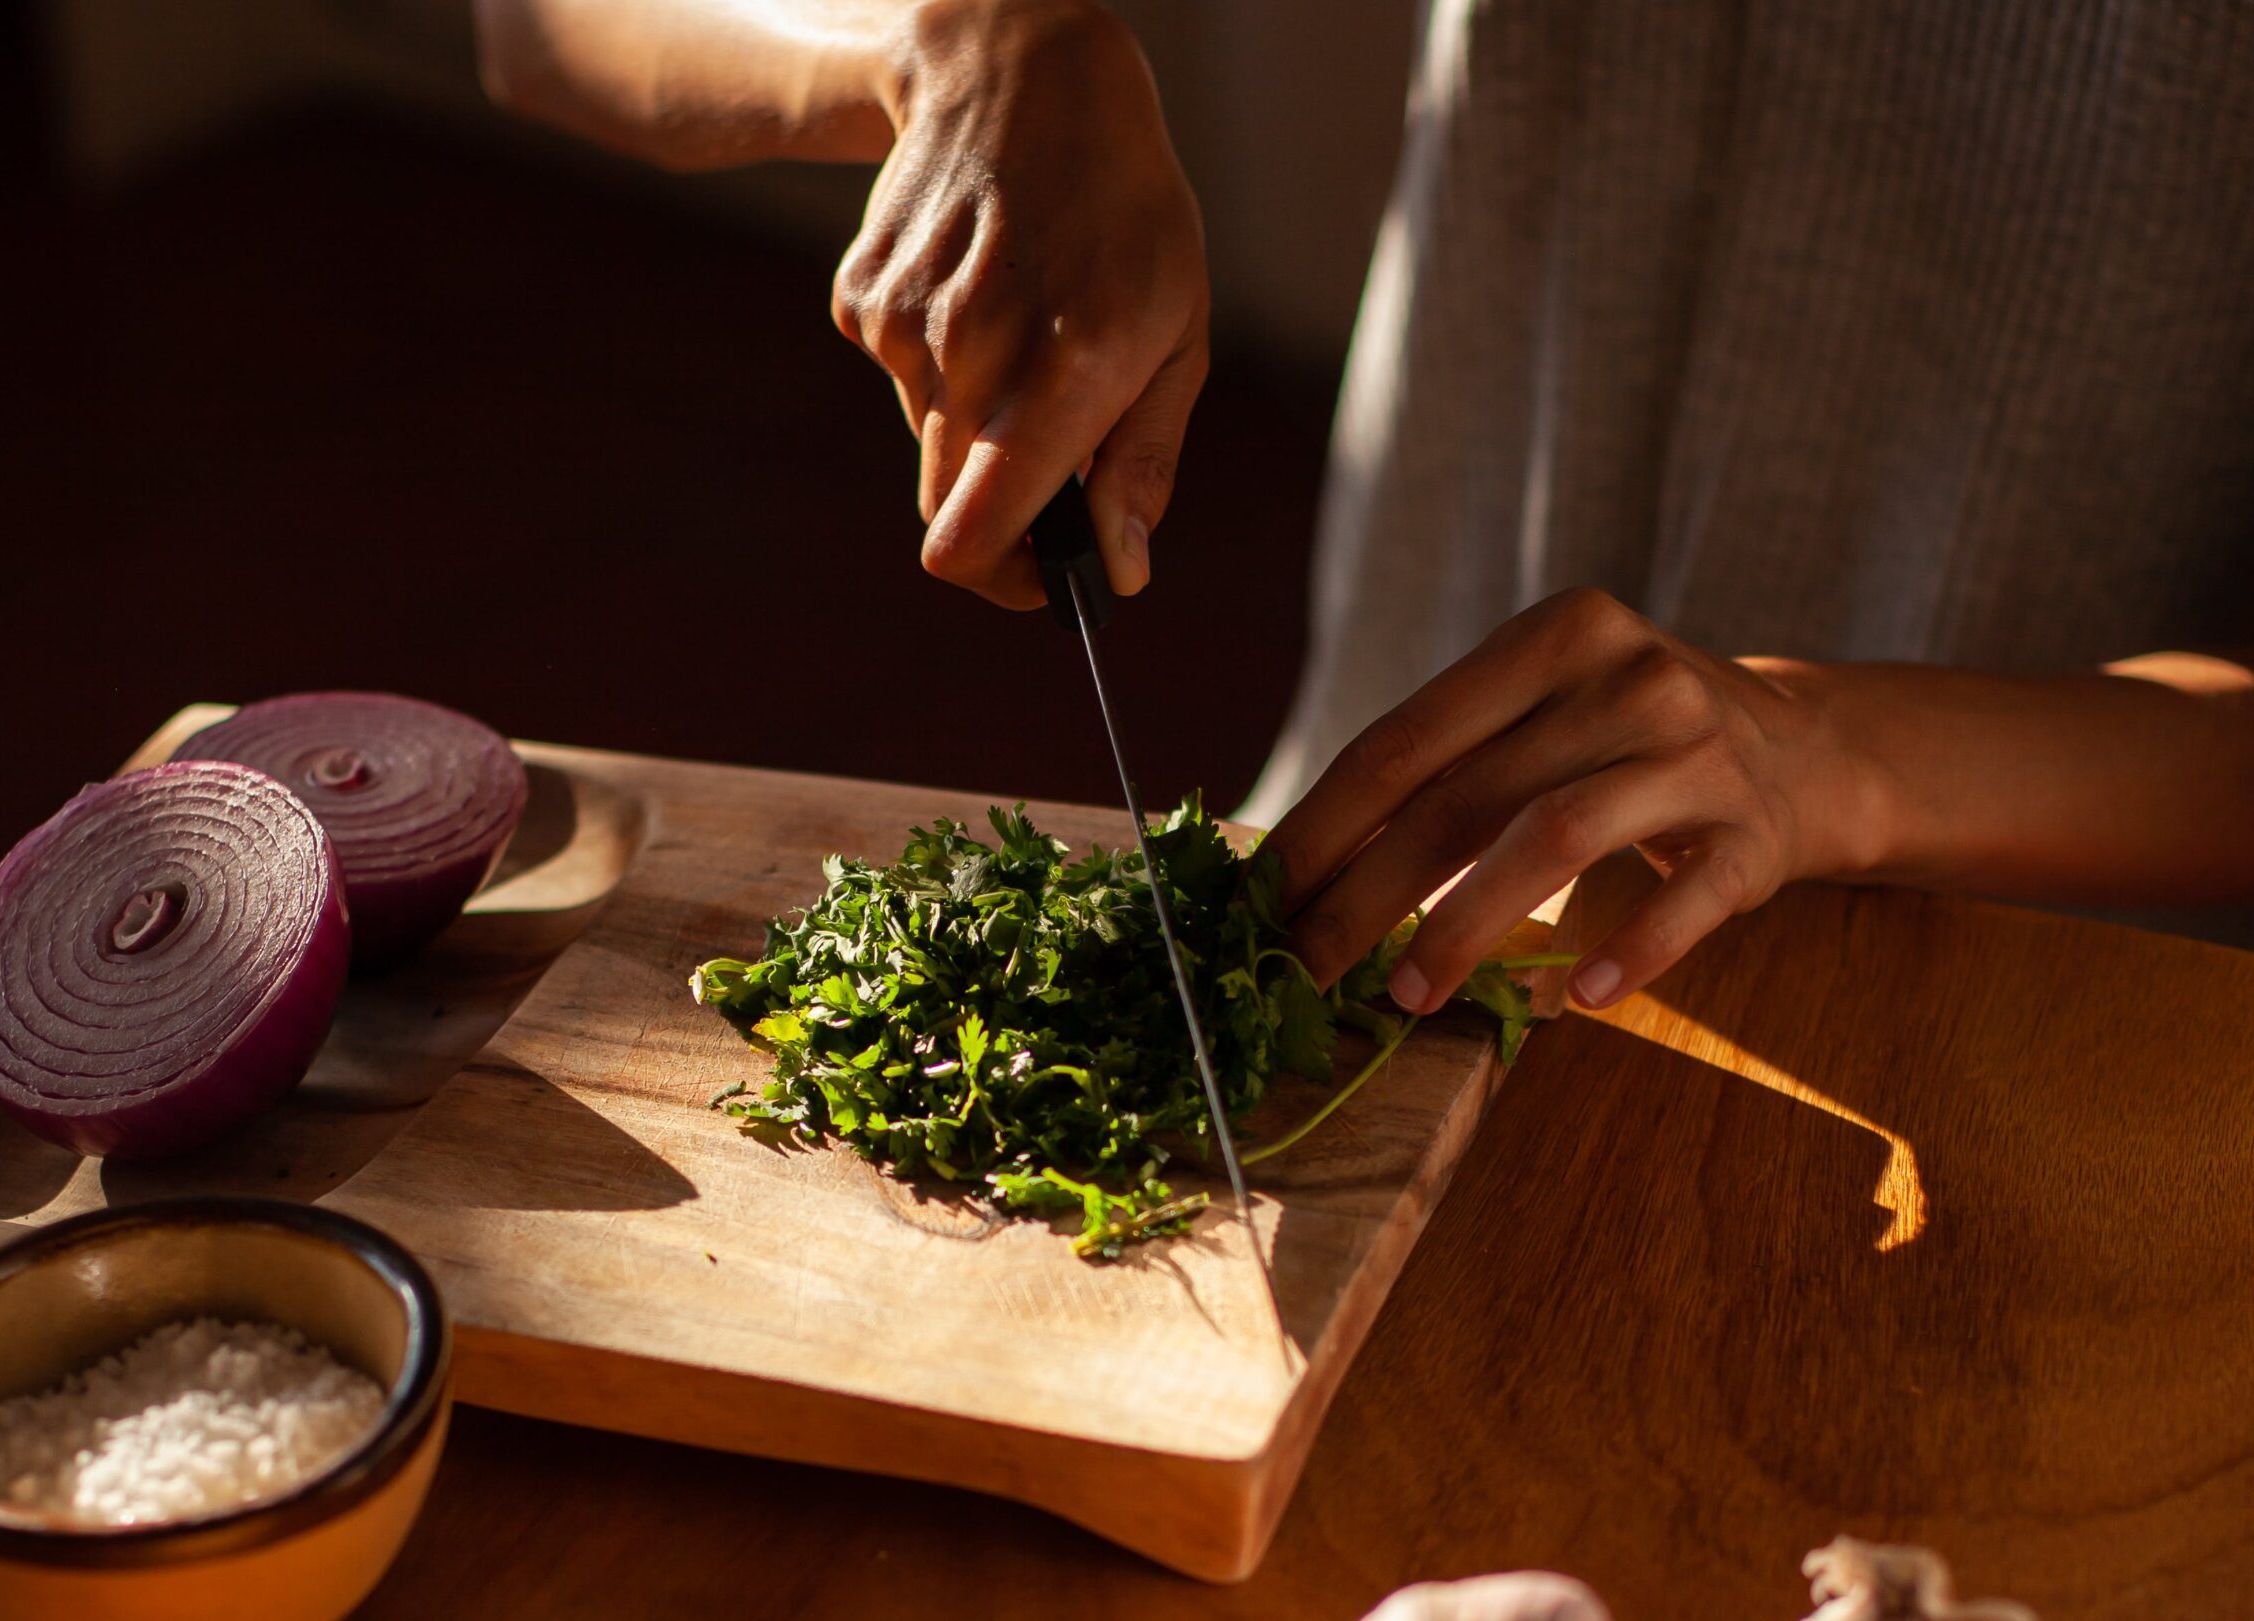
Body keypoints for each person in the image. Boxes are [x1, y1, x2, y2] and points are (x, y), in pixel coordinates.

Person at [475, 0, 2254, 1015]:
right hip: (1378, 918)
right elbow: (537, 23)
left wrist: (1826, 749)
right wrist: (962, 37)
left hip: (2055, 1028)